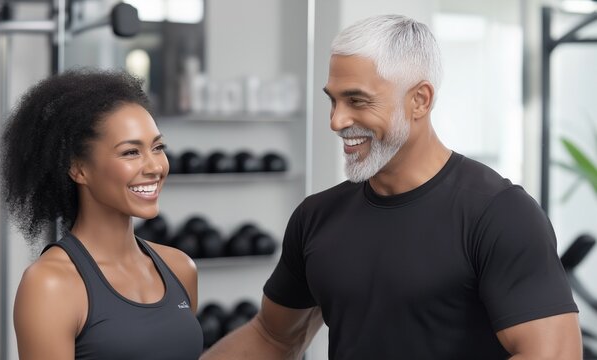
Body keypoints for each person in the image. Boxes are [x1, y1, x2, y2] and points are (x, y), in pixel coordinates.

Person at [201, 14, 582, 359]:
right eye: (333, 101)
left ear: (420, 100)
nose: (337, 121)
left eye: (357, 101)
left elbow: (554, 355)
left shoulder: (499, 213)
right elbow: (273, 336)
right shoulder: (316, 217)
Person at [0, 69, 203, 359]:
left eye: (157, 147)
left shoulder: (180, 268)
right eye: (131, 152)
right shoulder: (50, 284)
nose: (155, 166)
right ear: (78, 169)